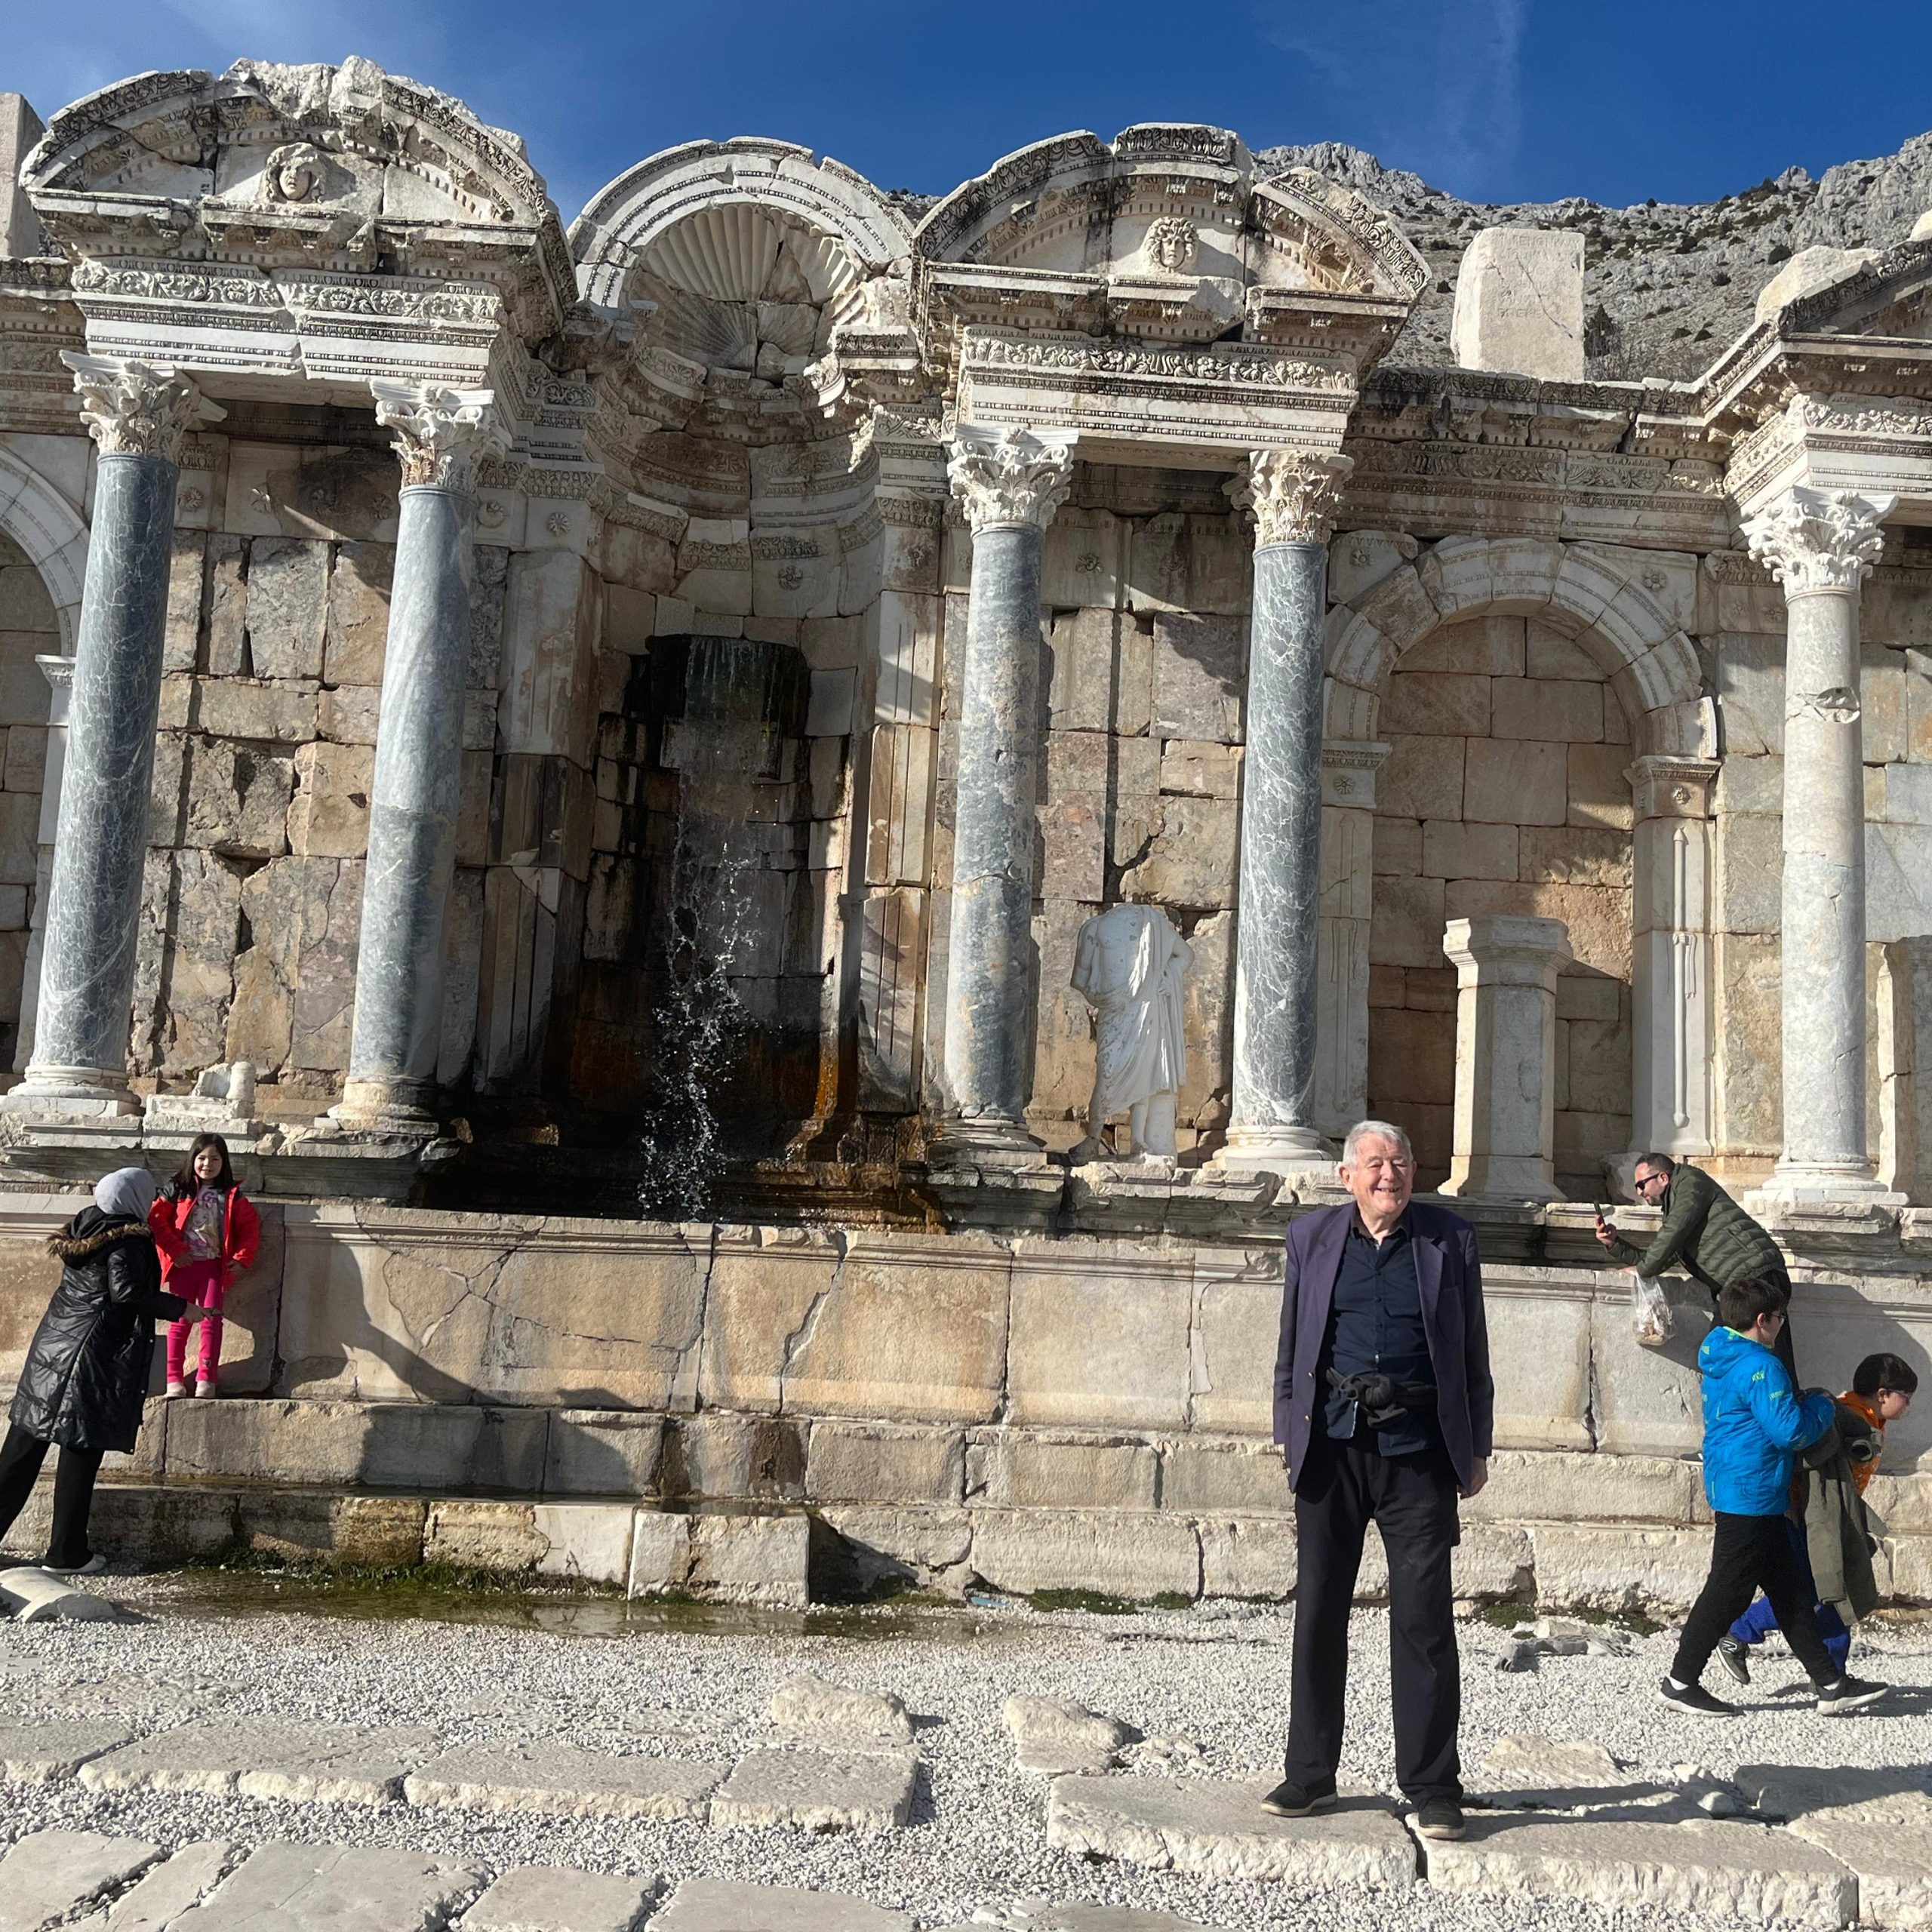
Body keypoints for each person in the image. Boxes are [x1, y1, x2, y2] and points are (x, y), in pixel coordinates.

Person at [1266, 1119, 1494, 1844]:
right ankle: (1309, 1776)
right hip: (1331, 1445)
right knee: (1319, 1612)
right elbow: (1291, 1343)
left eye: (1397, 1161)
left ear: (1414, 1170)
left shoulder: (1449, 1240)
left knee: (1424, 1619)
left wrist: (1477, 1445)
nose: (1386, 1174)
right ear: (1347, 1177)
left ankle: (1431, 1785)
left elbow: (1474, 1348)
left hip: (1419, 1449)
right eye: (1372, 1164)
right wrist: (1285, 1429)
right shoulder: (1310, 1238)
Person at [1660, 1275, 1887, 1715]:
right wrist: (1824, 1404)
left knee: (1790, 1592)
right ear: (1763, 1320)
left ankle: (1830, 1683)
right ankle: (1679, 1681)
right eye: (1781, 1317)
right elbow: (1792, 1430)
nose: (1783, 1325)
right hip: (1754, 1491)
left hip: (1742, 1486)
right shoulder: (1762, 1366)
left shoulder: (1721, 1358)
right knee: (1725, 1592)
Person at [0, 1168, 202, 1574]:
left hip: (52, 1351)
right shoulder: (129, 1237)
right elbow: (125, 1291)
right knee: (80, 1452)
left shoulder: (85, 1225)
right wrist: (182, 1308)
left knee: (21, 1452)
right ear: (135, 1199)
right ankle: (66, 1554)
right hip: (89, 1360)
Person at [1718, 1351, 1918, 1685]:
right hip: (1811, 1518)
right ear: (1883, 1395)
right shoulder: (1846, 1417)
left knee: (1832, 1589)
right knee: (1822, 1590)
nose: (1909, 1406)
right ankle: (1740, 1633)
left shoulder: (1865, 1417)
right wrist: (1793, 1505)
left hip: (1829, 1516)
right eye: (1906, 1398)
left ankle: (1831, 1675)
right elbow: (1807, 1461)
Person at [1595, 1152, 1795, 1375]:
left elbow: (1671, 1236)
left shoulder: (1691, 1183)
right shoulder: (1676, 1206)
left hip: (1758, 1276)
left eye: (1642, 1185)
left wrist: (1643, 1270)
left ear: (1663, 1178)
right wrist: (1615, 1244)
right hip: (1737, 1286)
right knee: (1720, 1358)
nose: (1640, 1193)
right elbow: (1664, 1255)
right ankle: (1747, 1408)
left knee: (1766, 1365)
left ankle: (1786, 1407)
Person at [150, 1133, 260, 1399]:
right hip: (183, 1266)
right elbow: (155, 1219)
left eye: (214, 1158)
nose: (207, 1164)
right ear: (192, 1159)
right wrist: (175, 1251)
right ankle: (173, 1378)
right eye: (201, 1158)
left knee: (211, 1321)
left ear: (224, 1162)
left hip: (213, 1267)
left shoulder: (231, 1195)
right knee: (179, 1319)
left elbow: (250, 1228)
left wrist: (242, 1258)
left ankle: (206, 1378)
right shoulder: (176, 1189)